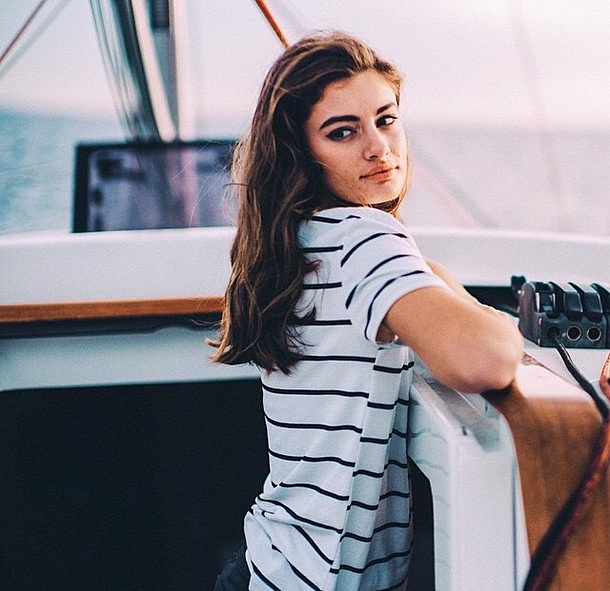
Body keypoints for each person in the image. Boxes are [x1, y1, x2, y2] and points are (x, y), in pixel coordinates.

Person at [211, 31, 523, 590]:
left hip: (270, 564)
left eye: (386, 119)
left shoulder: (299, 240)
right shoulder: (364, 237)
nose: (378, 147)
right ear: (301, 154)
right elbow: (485, 360)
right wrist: (504, 328)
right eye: (343, 132)